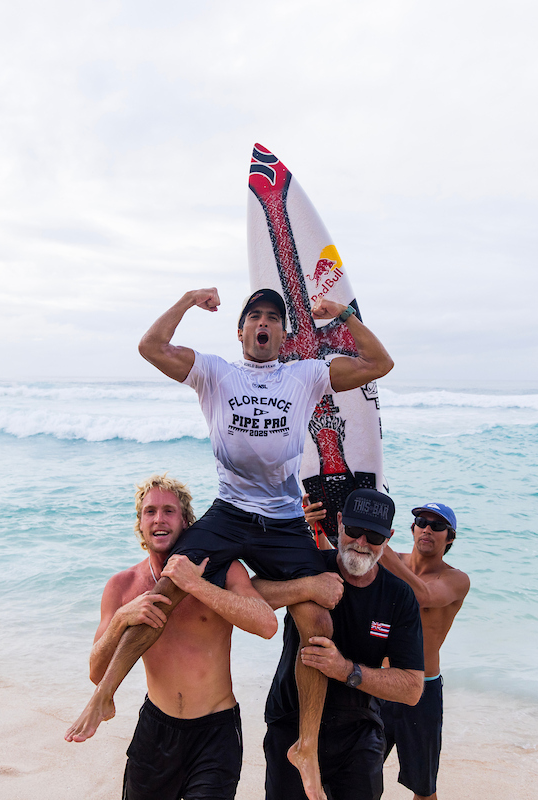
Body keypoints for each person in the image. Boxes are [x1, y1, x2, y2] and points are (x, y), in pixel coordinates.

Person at [68, 287, 394, 800]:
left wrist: (344, 315)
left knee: (317, 620)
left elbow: (379, 364)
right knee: (166, 586)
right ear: (241, 331)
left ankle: (306, 745)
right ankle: (104, 695)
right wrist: (186, 301)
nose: (264, 323)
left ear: (284, 334)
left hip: (284, 518)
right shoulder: (216, 372)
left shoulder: (306, 374)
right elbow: (150, 347)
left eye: (273, 318)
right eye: (254, 316)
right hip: (231, 511)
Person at [90, 475, 279, 799]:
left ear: (186, 522)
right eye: (150, 512)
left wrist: (196, 585)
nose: (159, 519)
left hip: (215, 732)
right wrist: (122, 618)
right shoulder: (122, 586)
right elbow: (97, 673)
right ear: (140, 524)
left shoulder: (222, 571)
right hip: (156, 730)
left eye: (169, 511)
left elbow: (267, 624)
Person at [257, 488, 424, 800]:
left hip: (358, 730)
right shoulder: (310, 566)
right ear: (339, 522)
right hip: (291, 721)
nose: (361, 543)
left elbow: (412, 688)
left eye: (374, 536)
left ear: (388, 538)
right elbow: (250, 594)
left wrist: (346, 670)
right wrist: (306, 587)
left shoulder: (398, 596)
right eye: (354, 530)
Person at [376, 502, 470, 800]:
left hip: (421, 691)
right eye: (421, 522)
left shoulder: (455, 579)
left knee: (423, 788)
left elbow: (423, 596)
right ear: (412, 529)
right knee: (352, 771)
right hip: (377, 682)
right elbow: (342, 562)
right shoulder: (389, 560)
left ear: (450, 538)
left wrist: (381, 547)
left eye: (437, 525)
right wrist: (317, 527)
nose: (427, 529)